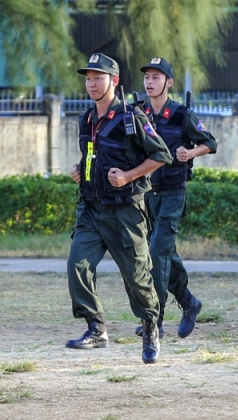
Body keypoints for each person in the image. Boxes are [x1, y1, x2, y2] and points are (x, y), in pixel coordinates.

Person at [67, 53, 171, 364]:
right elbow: (93, 157)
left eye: (98, 78)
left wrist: (128, 175)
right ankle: (96, 328)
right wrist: (80, 169)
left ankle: (150, 326)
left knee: (137, 279)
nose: (91, 84)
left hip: (125, 211)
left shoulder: (132, 117)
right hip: (91, 210)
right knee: (77, 266)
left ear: (114, 81)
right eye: (88, 78)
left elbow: (162, 155)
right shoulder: (86, 119)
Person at [137, 57, 217, 339]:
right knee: (165, 253)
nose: (150, 81)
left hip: (172, 192)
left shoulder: (182, 115)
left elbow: (211, 142)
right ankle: (189, 302)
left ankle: (153, 319)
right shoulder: (137, 113)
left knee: (157, 254)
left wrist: (190, 153)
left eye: (156, 77)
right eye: (147, 76)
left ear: (169, 82)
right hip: (145, 194)